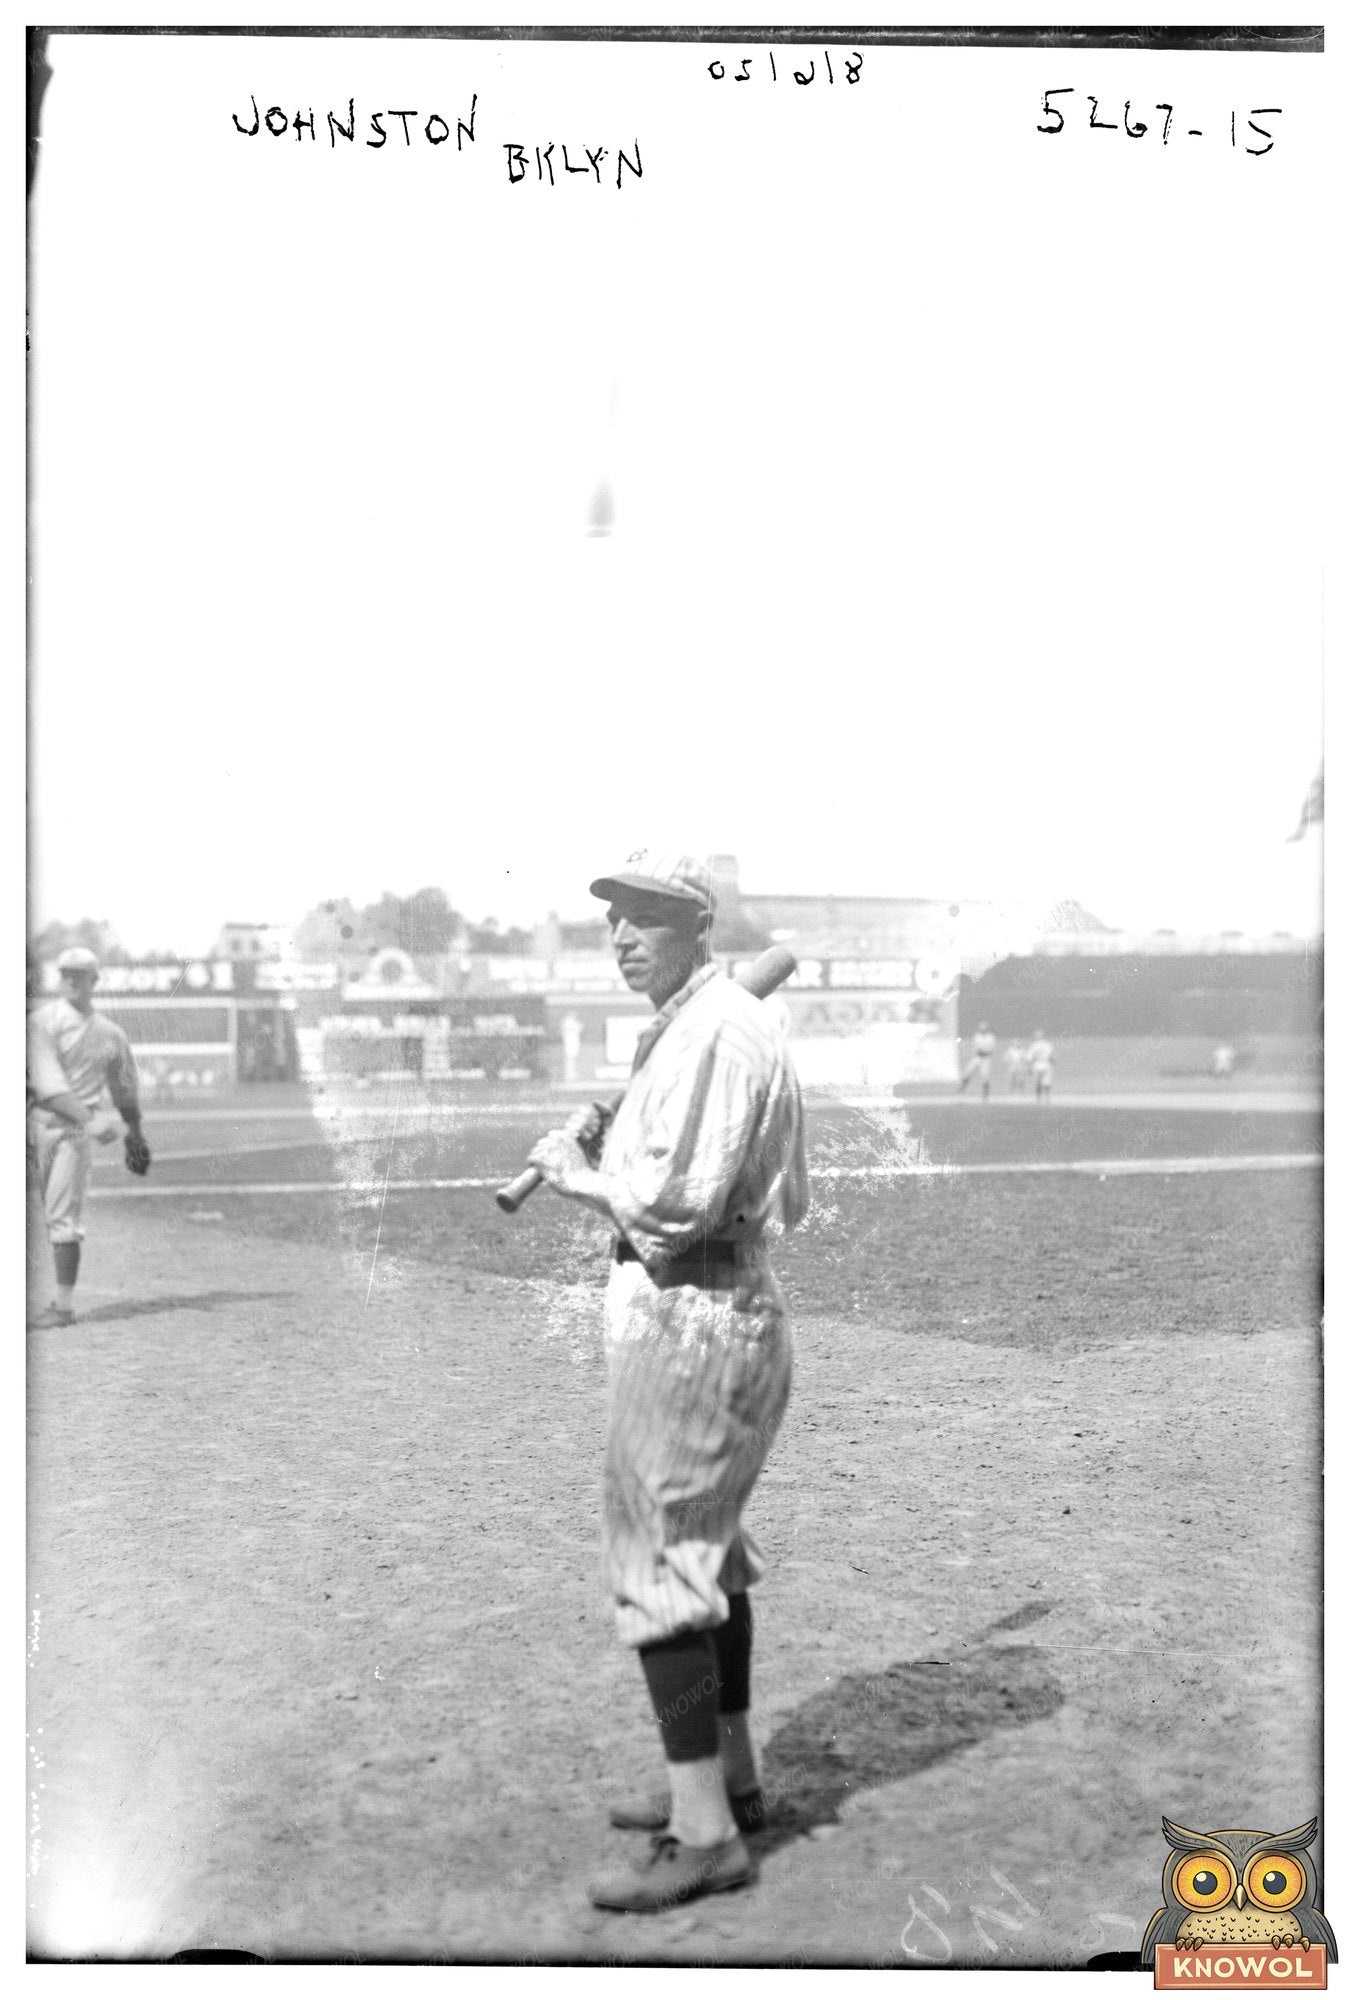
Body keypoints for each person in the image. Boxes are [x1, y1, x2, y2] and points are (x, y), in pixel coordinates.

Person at [527, 851, 808, 1914]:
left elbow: (676, 1203)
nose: (623, 935)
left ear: (699, 927)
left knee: (660, 1565)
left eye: (648, 917)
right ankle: (727, 1776)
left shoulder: (721, 1028)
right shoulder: (692, 1022)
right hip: (694, 1311)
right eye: (614, 919)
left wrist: (573, 1176)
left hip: (698, 1309)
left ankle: (705, 1835)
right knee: (708, 1557)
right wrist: (613, 1138)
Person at [27, 946, 151, 1327]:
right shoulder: (40, 1023)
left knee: (62, 1217)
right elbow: (49, 1086)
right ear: (58, 977)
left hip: (73, 1135)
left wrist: (136, 1135)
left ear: (95, 981)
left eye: (80, 975)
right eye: (66, 974)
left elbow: (124, 1088)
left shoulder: (110, 1033)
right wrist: (93, 1120)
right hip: (36, 1123)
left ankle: (62, 1307)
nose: (72, 980)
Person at [957, 1021, 997, 1099]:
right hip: (977, 1057)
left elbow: (991, 1048)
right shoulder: (977, 1036)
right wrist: (982, 1049)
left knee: (985, 1076)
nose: (983, 1030)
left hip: (986, 1058)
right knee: (967, 1071)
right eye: (982, 1029)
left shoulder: (991, 1037)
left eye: (984, 1029)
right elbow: (975, 1047)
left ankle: (985, 1094)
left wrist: (984, 1049)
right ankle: (962, 1089)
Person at [1026, 1028, 1055, 1102]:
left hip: (1042, 1064)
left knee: (1044, 1082)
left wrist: (1029, 1067)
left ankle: (1043, 1098)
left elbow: (1029, 1057)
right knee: (1043, 1082)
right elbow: (1052, 1056)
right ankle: (1042, 1098)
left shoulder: (1035, 1045)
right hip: (1041, 1064)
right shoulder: (1046, 1044)